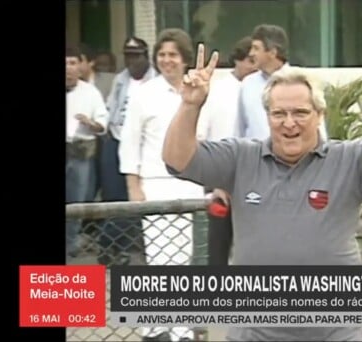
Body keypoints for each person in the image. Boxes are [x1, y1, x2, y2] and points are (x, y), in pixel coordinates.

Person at [162, 42, 362, 341]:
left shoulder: (351, 159)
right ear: (267, 116)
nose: (289, 123)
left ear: (320, 115)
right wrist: (190, 105)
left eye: (300, 113)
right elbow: (178, 160)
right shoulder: (240, 158)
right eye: (279, 113)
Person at [118, 28, 202, 342]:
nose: (167, 61)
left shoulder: (196, 92)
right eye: (162, 55)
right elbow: (129, 141)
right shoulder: (143, 93)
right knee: (159, 258)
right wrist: (133, 185)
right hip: (154, 184)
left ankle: (181, 329)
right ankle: (155, 328)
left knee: (184, 258)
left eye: (173, 55)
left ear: (184, 59)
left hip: (190, 184)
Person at [196, 36, 256, 265]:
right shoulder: (218, 90)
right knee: (219, 247)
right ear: (238, 60)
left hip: (255, 179)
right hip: (221, 179)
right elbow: (201, 135)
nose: (254, 65)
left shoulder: (264, 89)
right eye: (250, 60)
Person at [97, 37, 157, 266]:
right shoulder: (120, 80)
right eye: (128, 55)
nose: (132, 60)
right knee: (114, 196)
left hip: (143, 144)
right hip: (116, 141)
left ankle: (119, 246)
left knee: (137, 197)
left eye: (136, 55)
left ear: (146, 56)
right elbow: (111, 109)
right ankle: (112, 249)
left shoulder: (154, 81)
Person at [65, 44, 108, 258]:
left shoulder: (90, 93)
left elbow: (103, 124)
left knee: (76, 201)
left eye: (72, 63)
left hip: (80, 153)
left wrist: (90, 123)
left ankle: (70, 243)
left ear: (80, 66)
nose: (68, 68)